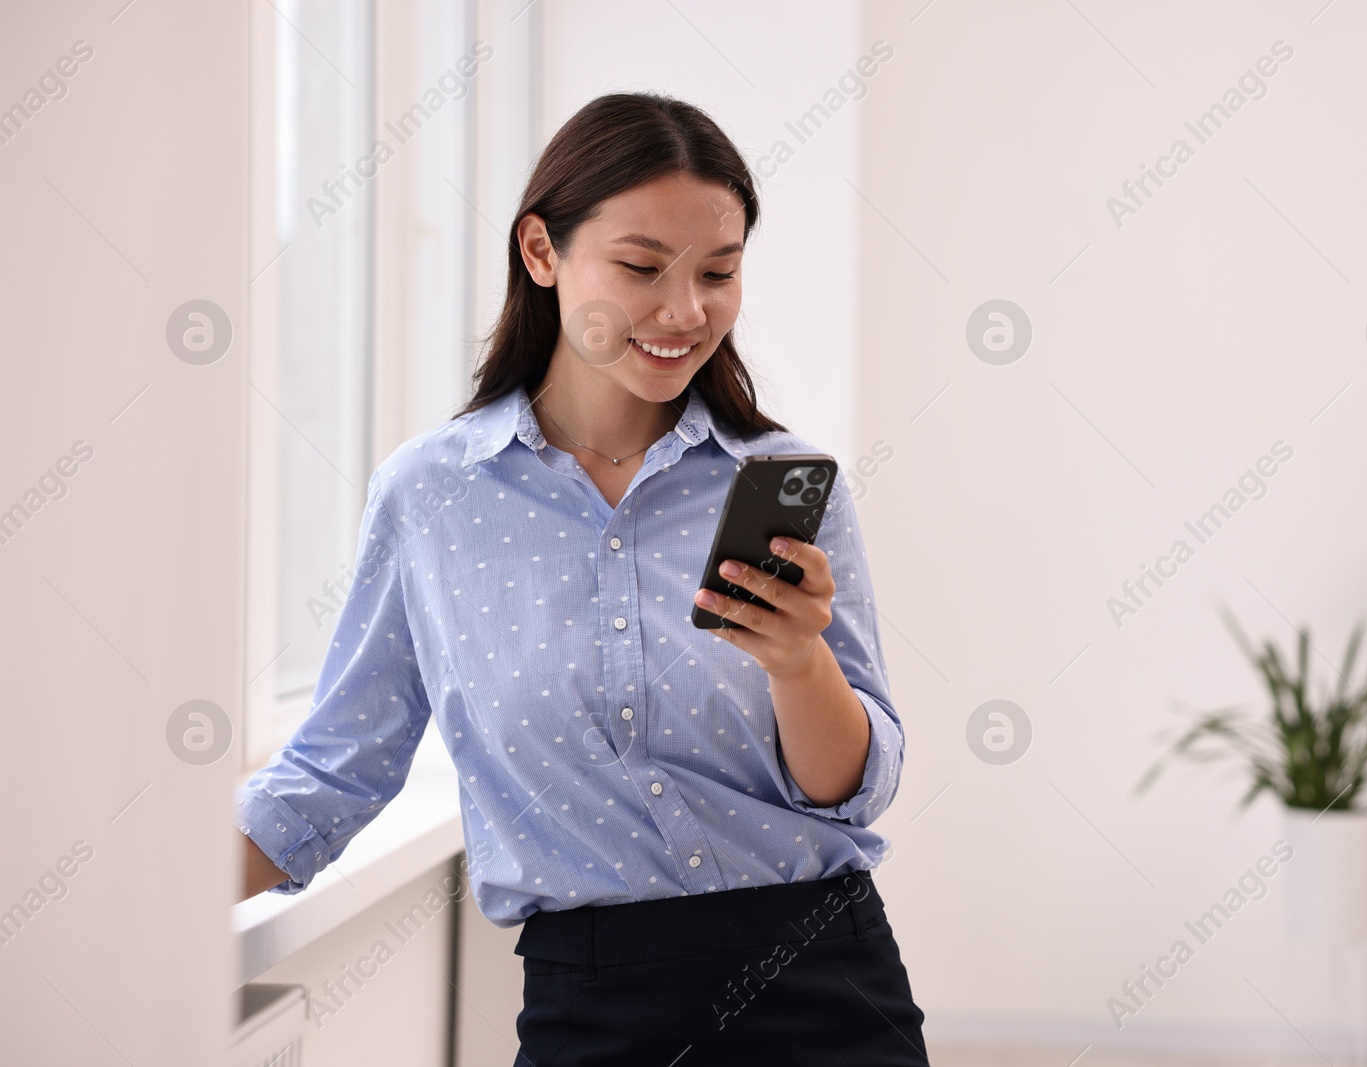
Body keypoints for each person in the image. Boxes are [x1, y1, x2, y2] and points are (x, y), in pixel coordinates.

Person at [235, 91, 927, 1064]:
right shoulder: (432, 495)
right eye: (642, 267)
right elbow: (332, 773)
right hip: (590, 1003)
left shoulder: (781, 485)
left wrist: (797, 660)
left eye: (718, 272)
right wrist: (117, 899)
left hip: (824, 982)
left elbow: (851, 790)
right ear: (540, 252)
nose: (685, 311)